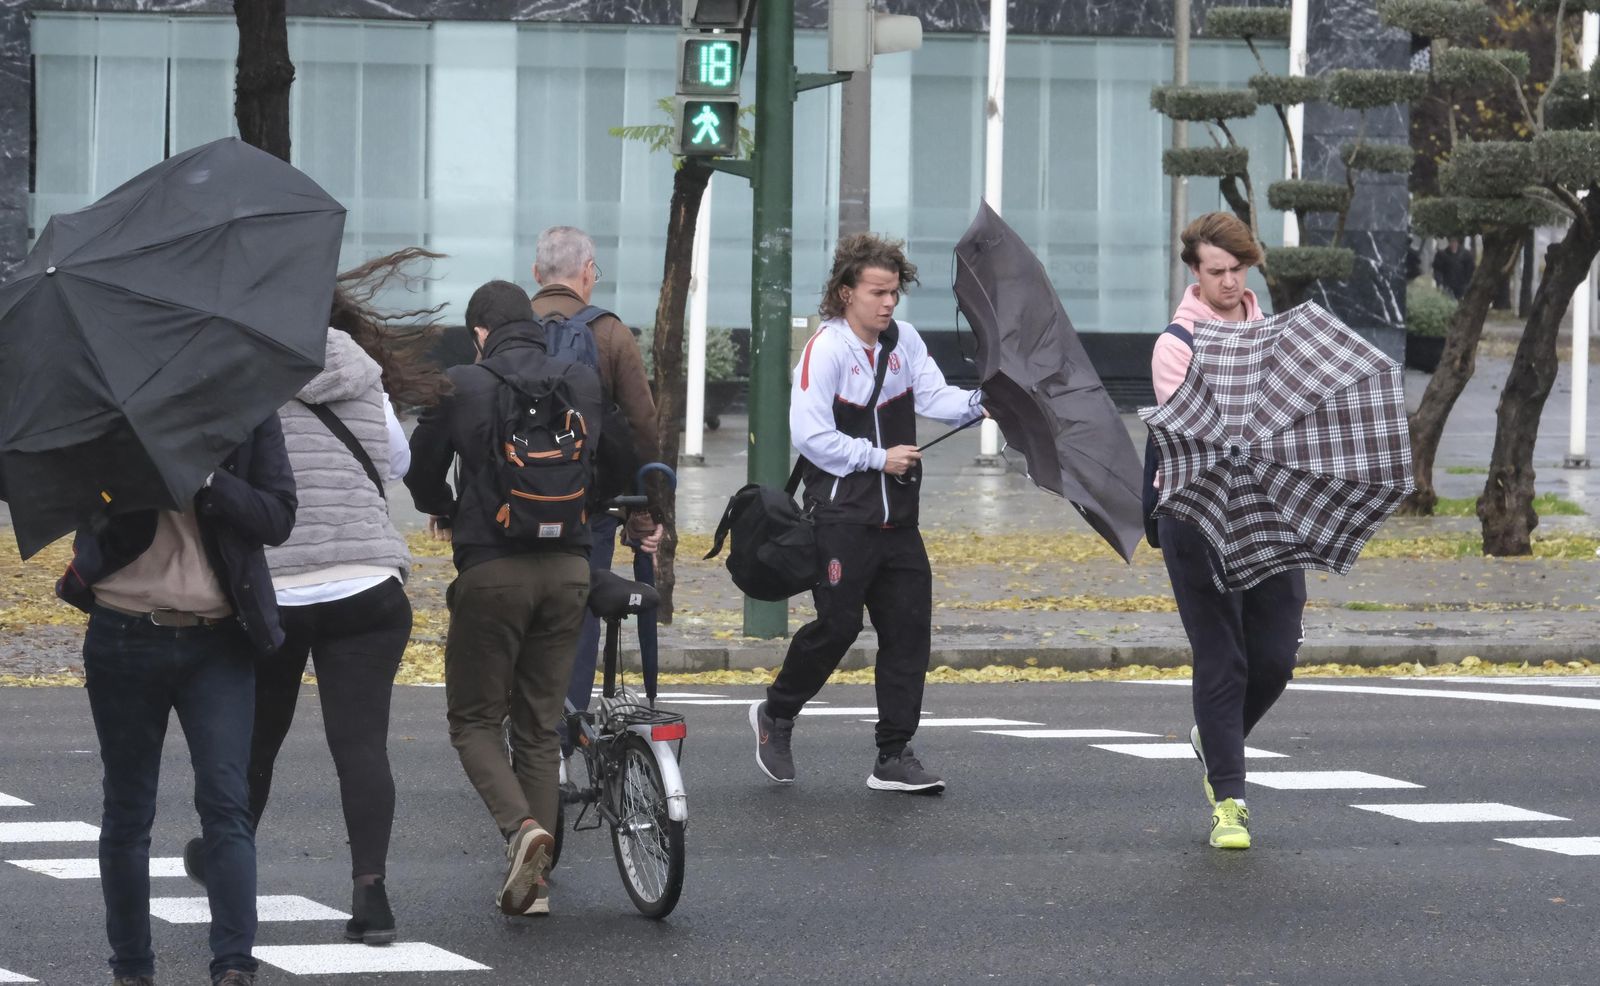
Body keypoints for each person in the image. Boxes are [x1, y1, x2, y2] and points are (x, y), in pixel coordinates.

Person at [182, 251, 453, 945]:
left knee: (257, 742)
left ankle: (225, 861)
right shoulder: (361, 371)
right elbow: (395, 462)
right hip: (368, 582)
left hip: (278, 585)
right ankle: (371, 898)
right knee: (360, 745)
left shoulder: (243, 373)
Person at [56, 415, 297, 986]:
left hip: (218, 639)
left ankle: (234, 964)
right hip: (123, 632)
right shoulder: (105, 414)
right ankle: (132, 968)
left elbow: (278, 517)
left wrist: (209, 478)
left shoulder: (249, 412)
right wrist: (134, 470)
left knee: (226, 803)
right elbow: (81, 509)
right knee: (128, 810)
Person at [749, 233, 984, 795]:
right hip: (841, 517)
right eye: (877, 292)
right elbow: (809, 436)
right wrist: (878, 458)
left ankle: (894, 755)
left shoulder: (904, 343)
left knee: (908, 634)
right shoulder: (825, 351)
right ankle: (776, 714)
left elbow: (935, 398)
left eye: (894, 294)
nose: (887, 304)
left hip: (899, 520)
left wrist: (985, 402)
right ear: (845, 291)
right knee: (838, 626)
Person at [404, 279, 601, 917]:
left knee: (474, 720)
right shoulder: (580, 379)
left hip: (493, 572)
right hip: (571, 568)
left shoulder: (463, 384)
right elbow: (620, 459)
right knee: (539, 726)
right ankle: (534, 888)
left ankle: (522, 832)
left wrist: (446, 506)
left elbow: (418, 470)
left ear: (482, 333)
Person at [1148, 212, 1307, 851]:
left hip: (1270, 512)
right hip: (1198, 513)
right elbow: (1202, 431)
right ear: (1194, 271)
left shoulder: (1270, 328)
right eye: (1217, 271)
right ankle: (1230, 801)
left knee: (1275, 657)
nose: (1230, 281)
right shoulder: (1176, 343)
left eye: (1239, 269)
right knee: (1224, 658)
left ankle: (1213, 736)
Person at [527, 226, 663, 740]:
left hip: (513, 510)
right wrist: (645, 512)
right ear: (587, 274)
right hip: (587, 508)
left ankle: (524, 730)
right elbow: (642, 426)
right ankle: (565, 735)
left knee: (522, 612)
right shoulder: (609, 333)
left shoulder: (507, 329)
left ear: (537, 275)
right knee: (580, 609)